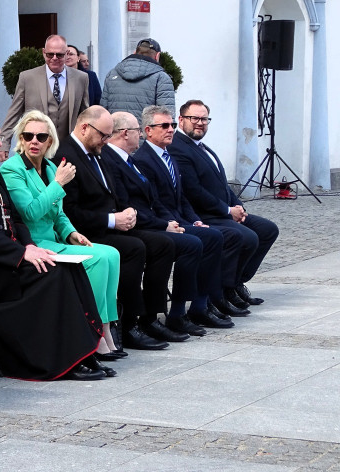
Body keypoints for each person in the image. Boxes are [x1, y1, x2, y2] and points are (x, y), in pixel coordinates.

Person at [0, 113, 107, 381]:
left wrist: (29, 245)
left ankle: (81, 353)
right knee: (54, 275)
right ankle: (56, 359)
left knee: (68, 269)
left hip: (6, 255)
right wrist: (21, 253)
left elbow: (14, 217)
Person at [0, 110, 122, 359]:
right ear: (21, 138)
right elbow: (30, 212)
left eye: (41, 136)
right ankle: (92, 331)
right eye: (28, 135)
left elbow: (59, 214)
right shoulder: (12, 169)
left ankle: (106, 327)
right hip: (33, 243)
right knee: (96, 259)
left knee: (111, 254)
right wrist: (58, 184)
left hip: (54, 240)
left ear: (50, 141)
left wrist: (71, 233)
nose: (34, 141)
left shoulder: (51, 166)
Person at [55, 106, 175, 351]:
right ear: (85, 127)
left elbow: (114, 194)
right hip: (85, 232)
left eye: (109, 136)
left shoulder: (96, 150)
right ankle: (127, 324)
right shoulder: (66, 155)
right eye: (104, 135)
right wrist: (112, 220)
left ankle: (150, 316)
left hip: (108, 225)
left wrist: (128, 212)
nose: (107, 141)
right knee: (133, 248)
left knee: (162, 244)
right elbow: (70, 211)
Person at [102, 111, 214, 340]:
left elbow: (154, 200)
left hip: (153, 221)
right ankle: (158, 316)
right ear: (125, 133)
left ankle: (193, 307)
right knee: (183, 244)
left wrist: (173, 222)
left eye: (172, 124)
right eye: (137, 131)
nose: (171, 129)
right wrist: (164, 225)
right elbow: (128, 205)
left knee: (205, 237)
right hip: (135, 225)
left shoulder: (128, 159)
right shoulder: (113, 160)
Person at [131, 106, 237, 331]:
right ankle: (178, 312)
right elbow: (155, 201)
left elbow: (182, 198)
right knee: (199, 241)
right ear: (148, 131)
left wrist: (193, 219)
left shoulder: (168, 155)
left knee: (213, 236)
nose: (171, 130)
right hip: (161, 223)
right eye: (165, 126)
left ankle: (201, 305)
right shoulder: (143, 160)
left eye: (172, 126)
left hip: (179, 219)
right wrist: (176, 223)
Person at [170, 100, 279, 310]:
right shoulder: (178, 148)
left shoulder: (201, 146)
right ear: (181, 120)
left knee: (267, 230)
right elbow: (194, 190)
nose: (200, 123)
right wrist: (226, 210)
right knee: (246, 237)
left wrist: (238, 206)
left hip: (224, 210)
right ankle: (221, 290)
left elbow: (221, 183)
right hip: (204, 214)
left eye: (204, 119)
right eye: (195, 118)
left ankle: (237, 281)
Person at [0, 34, 90, 153]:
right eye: (50, 54)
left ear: (67, 53)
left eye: (59, 54)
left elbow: (85, 114)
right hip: (36, 148)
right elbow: (14, 113)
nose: (54, 58)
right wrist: (4, 143)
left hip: (68, 148)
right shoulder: (27, 78)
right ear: (43, 52)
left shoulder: (81, 78)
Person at [101, 37, 175, 121]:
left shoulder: (112, 74)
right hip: (145, 133)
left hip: (115, 132)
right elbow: (166, 117)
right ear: (157, 56)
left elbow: (103, 112)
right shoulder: (161, 78)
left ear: (135, 52)